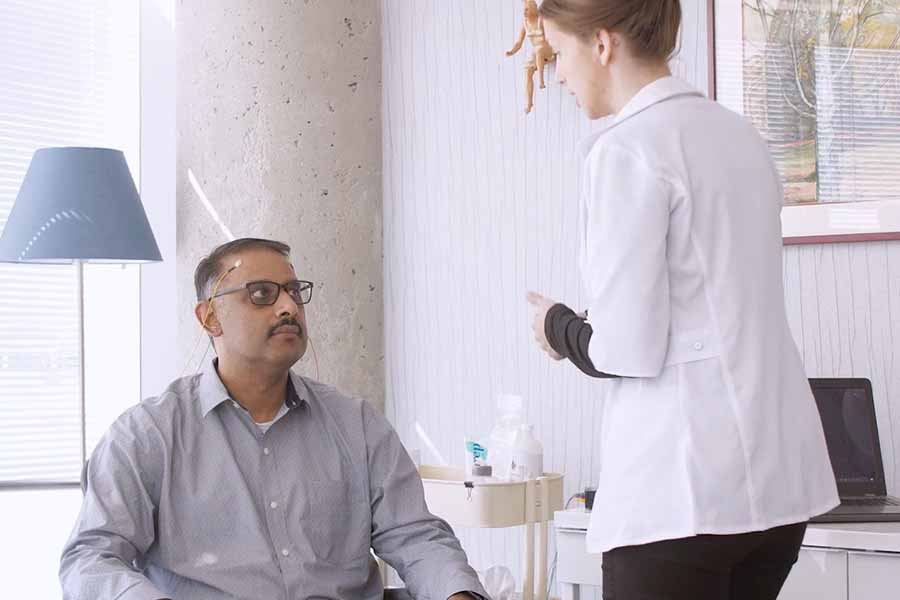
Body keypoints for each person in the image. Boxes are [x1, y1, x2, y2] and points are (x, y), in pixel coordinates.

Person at [524, 2, 839, 599]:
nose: (558, 73)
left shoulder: (625, 150)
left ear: (603, 45)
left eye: (560, 53)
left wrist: (556, 326)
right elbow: (709, 304)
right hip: (777, 489)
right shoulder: (740, 135)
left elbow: (624, 349)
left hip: (682, 495)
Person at [60, 237, 486, 600]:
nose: (288, 306)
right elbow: (91, 558)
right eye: (262, 293)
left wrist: (457, 593)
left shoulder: (356, 423)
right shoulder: (147, 434)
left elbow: (415, 537)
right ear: (209, 317)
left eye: (294, 291)